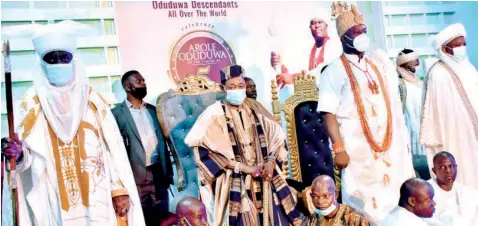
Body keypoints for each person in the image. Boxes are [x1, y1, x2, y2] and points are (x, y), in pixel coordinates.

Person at [0, 20, 144, 225]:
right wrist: (19, 154)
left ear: (73, 59)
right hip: (54, 196)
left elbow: (113, 153)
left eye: (64, 57)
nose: (59, 63)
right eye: (52, 58)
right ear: (42, 63)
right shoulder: (32, 104)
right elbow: (29, 160)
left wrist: (119, 189)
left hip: (97, 195)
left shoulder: (93, 102)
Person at [318, 3, 414, 223]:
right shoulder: (333, 71)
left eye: (364, 31)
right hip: (358, 150)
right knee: (367, 205)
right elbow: (327, 112)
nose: (362, 36)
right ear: (344, 38)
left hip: (390, 146)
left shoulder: (378, 63)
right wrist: (339, 148)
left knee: (398, 196)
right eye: (356, 32)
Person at [185, 65, 305, 226]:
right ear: (223, 88)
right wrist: (245, 168)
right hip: (233, 179)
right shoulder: (213, 114)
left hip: (265, 175)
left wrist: (270, 162)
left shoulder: (256, 108)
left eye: (241, 86)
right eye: (232, 87)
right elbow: (202, 153)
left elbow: (278, 139)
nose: (238, 90)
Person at [420, 23, 478, 189]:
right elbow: (443, 115)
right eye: (457, 45)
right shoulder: (438, 74)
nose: (462, 48)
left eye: (464, 44)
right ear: (444, 48)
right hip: (456, 138)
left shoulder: (469, 68)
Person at [112, 70, 173, 225]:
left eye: (144, 80)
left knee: (163, 217)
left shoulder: (154, 110)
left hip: (159, 172)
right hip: (136, 176)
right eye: (139, 81)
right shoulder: (115, 114)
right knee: (142, 219)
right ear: (127, 87)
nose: (143, 84)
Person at [271, 8, 342, 102]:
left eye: (320, 22)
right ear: (310, 28)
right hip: (313, 101)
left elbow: (323, 71)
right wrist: (278, 64)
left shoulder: (334, 45)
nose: (316, 26)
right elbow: (295, 70)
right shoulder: (309, 51)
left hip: (334, 97)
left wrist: (292, 78)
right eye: (313, 23)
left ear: (326, 25)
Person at [427, 152, 478, 225]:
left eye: (451, 166)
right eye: (442, 167)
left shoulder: (464, 191)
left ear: (456, 167)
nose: (448, 170)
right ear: (434, 171)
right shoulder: (425, 190)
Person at [304, 175, 369, 226]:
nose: (320, 201)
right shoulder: (313, 218)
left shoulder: (354, 217)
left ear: (336, 194)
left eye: (326, 196)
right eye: (315, 196)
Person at [396, 49, 425, 157]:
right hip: (408, 124)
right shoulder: (399, 83)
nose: (418, 64)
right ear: (407, 64)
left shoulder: (417, 80)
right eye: (415, 62)